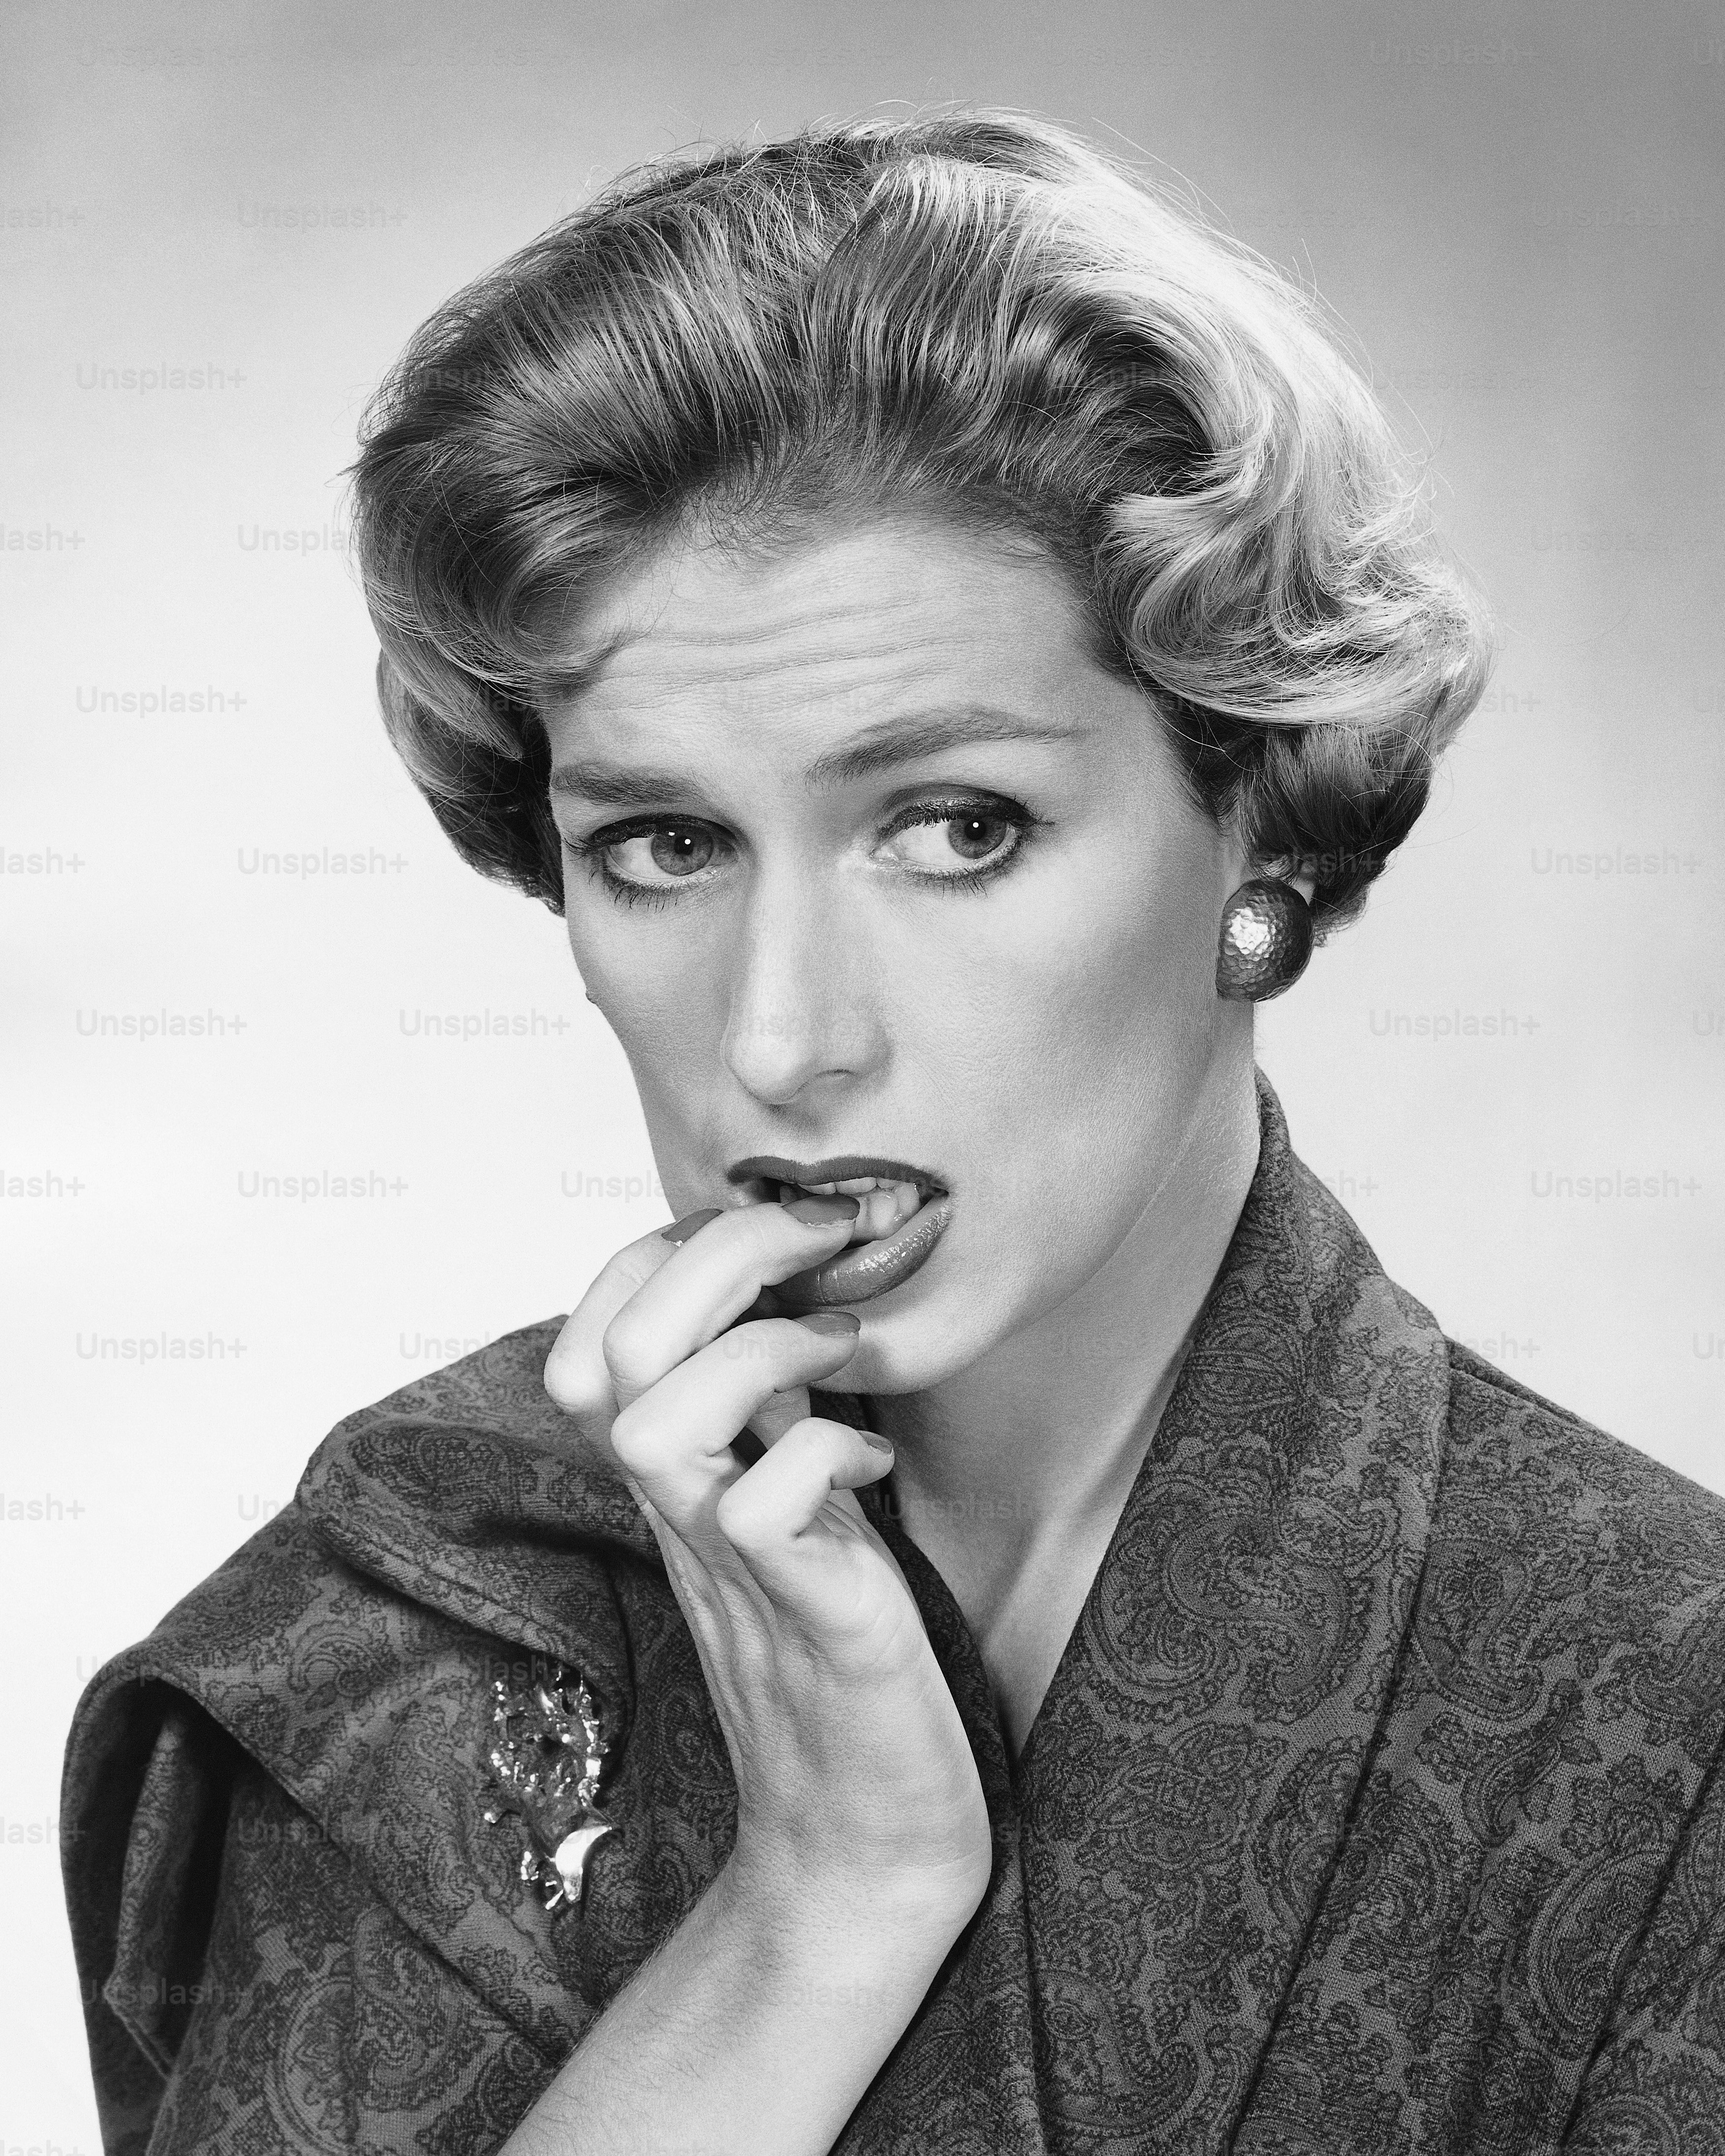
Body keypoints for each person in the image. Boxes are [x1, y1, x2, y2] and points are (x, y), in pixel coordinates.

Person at [62, 110, 1725, 2156]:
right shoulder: (421, 1620)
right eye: (663, 843)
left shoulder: (1660, 1714)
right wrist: (812, 1910)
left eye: (955, 827)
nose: (784, 1037)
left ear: (1261, 829)